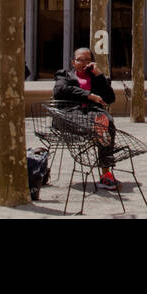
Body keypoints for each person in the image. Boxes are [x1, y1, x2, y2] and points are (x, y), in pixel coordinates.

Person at [53, 48, 120, 189]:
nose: (83, 63)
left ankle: (105, 174)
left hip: (92, 113)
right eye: (79, 60)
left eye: (87, 60)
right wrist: (89, 95)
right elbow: (59, 91)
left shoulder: (97, 78)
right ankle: (98, 133)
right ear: (73, 62)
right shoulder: (64, 75)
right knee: (101, 127)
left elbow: (110, 98)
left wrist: (99, 75)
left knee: (107, 122)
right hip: (70, 113)